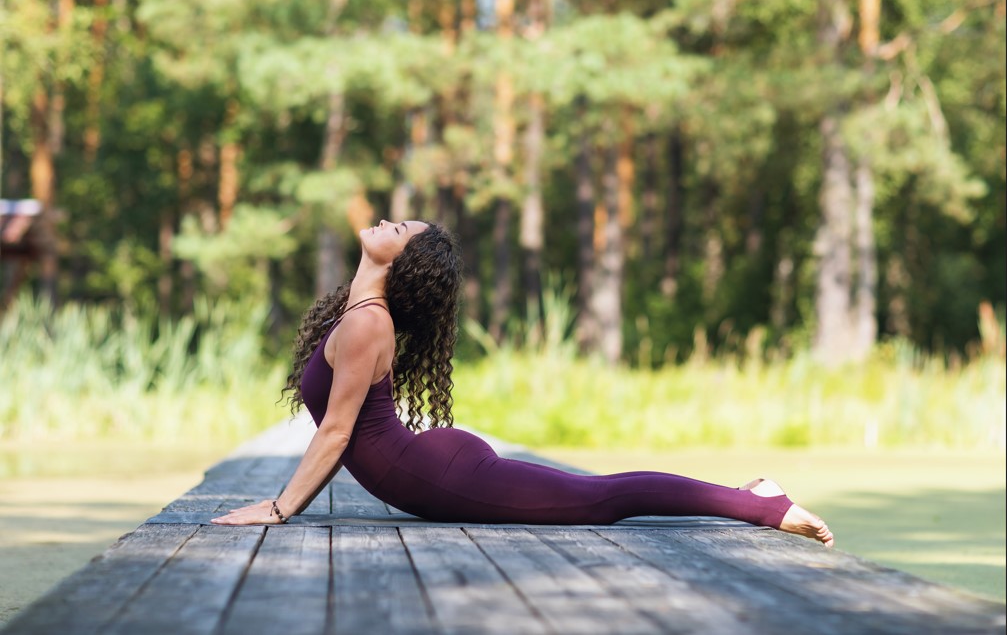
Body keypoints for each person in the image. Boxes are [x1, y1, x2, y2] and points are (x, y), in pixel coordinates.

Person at [211, 219, 834, 547]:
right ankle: (753, 492)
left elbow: (339, 430)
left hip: (441, 476)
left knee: (601, 500)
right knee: (595, 498)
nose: (387, 221)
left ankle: (763, 505)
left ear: (402, 264)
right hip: (433, 466)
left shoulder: (369, 324)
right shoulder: (361, 317)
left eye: (400, 230)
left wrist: (278, 507)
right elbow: (342, 429)